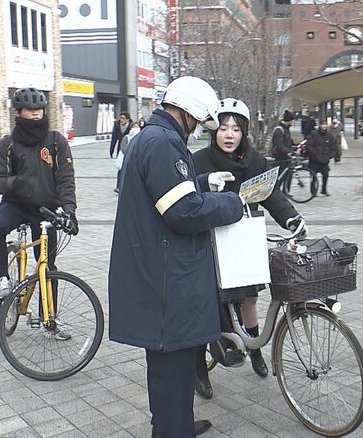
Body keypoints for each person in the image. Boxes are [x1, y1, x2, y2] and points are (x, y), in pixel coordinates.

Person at [108, 76, 244, 438]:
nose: (198, 128)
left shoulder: (152, 138)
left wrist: (203, 183)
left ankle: (173, 422)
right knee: (173, 367)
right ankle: (173, 428)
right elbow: (183, 212)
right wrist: (232, 203)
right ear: (186, 111)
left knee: (171, 368)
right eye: (198, 121)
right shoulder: (164, 142)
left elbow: (166, 193)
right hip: (167, 277)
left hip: (156, 271)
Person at [191, 98, 305, 400]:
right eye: (223, 128)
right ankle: (199, 367)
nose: (229, 135)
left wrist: (291, 218)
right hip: (210, 241)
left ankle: (254, 350)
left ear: (244, 132)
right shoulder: (199, 161)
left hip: (244, 240)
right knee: (206, 305)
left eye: (236, 129)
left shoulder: (255, 161)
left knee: (250, 299)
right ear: (214, 131)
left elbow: (271, 195)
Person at [0, 88, 78, 341]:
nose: (36, 113)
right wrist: (17, 184)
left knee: (47, 266)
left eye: (39, 109)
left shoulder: (56, 142)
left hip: (45, 209)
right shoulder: (7, 144)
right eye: (30, 109)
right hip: (15, 204)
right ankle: (3, 278)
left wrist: (69, 210)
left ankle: (50, 319)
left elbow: (66, 179)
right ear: (19, 112)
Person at [305, 119, 336, 196]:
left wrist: (329, 156)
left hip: (324, 160)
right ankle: (313, 192)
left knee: (325, 175)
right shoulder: (313, 134)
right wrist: (315, 155)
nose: (324, 126)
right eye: (322, 124)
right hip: (314, 160)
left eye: (325, 124)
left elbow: (333, 148)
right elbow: (309, 146)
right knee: (313, 177)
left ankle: (324, 190)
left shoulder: (329, 136)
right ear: (319, 125)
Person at [109, 111, 132, 193]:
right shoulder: (116, 125)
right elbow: (114, 138)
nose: (121, 120)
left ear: (127, 119)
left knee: (129, 168)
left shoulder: (131, 125)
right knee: (120, 167)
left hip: (130, 148)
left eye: (123, 118)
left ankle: (128, 186)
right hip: (120, 149)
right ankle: (118, 186)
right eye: (120, 118)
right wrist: (111, 151)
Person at [115, 121, 141, 192]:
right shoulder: (127, 137)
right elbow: (123, 147)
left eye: (137, 126)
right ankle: (119, 186)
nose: (136, 128)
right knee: (122, 172)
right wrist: (129, 152)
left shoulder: (140, 137)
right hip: (125, 158)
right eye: (134, 127)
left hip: (135, 158)